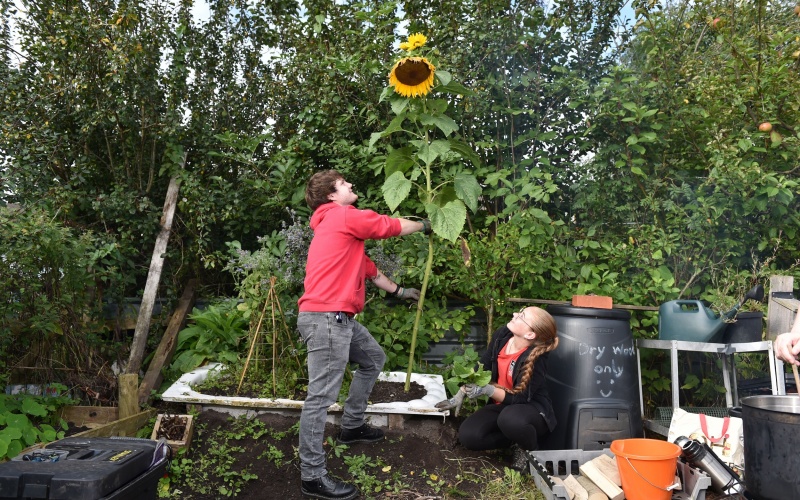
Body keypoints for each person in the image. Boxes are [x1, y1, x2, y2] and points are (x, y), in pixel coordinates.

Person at [297, 169, 431, 500]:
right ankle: (312, 476)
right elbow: (385, 226)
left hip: (337, 317)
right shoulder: (342, 216)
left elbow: (371, 272)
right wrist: (426, 225)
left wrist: (402, 292)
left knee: (373, 358)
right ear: (331, 195)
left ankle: (352, 425)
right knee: (320, 399)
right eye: (345, 184)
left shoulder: (340, 233)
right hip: (327, 318)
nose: (351, 185)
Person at [444, 306, 559, 471]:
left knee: (509, 419)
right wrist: (461, 392)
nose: (514, 314)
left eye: (521, 316)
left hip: (530, 411)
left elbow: (520, 398)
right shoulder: (503, 335)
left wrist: (487, 390)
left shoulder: (536, 357)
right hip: (503, 406)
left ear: (530, 334)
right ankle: (513, 441)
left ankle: (528, 450)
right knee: (469, 436)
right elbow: (483, 368)